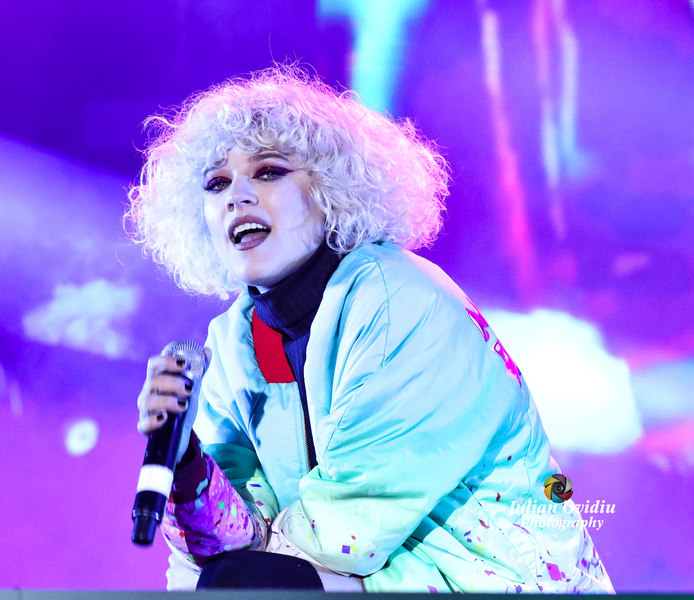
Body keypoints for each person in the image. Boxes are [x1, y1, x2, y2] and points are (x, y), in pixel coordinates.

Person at [127, 66, 614, 593]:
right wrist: (185, 460)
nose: (236, 196)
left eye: (268, 172)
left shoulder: (402, 302)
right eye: (216, 183)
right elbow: (230, 549)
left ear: (331, 190)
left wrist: (231, 574)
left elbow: (345, 535)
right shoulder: (232, 345)